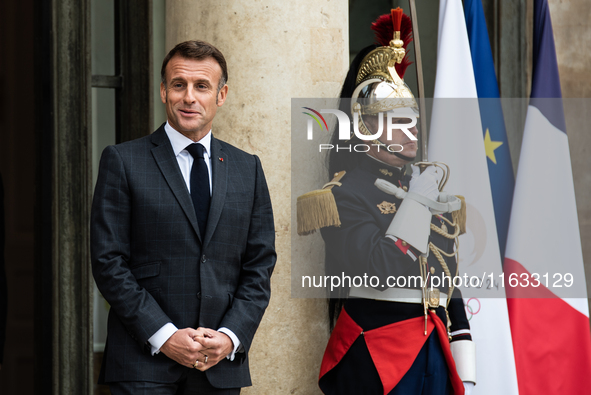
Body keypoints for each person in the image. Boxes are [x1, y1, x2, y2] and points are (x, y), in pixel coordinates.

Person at [301, 10, 476, 395]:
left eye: (413, 119)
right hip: (377, 348)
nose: (413, 130)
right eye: (400, 122)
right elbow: (380, 267)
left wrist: (462, 340)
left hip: (434, 343)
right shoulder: (341, 194)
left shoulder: (421, 183)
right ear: (367, 131)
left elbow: (445, 270)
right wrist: (416, 203)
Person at [91, 40, 276, 394]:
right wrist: (165, 335)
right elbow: (108, 262)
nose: (189, 97)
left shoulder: (247, 168)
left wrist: (230, 337)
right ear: (164, 91)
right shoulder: (123, 161)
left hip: (219, 366)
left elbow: (260, 264)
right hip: (143, 364)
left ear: (221, 96)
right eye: (179, 85)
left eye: (201, 86)